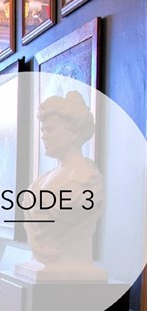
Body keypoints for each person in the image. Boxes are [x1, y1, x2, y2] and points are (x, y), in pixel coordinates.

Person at [19, 91, 105, 279]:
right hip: (42, 267)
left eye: (50, 130)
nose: (43, 136)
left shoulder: (87, 179)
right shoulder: (43, 180)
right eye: (42, 130)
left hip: (70, 267)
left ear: (73, 133)